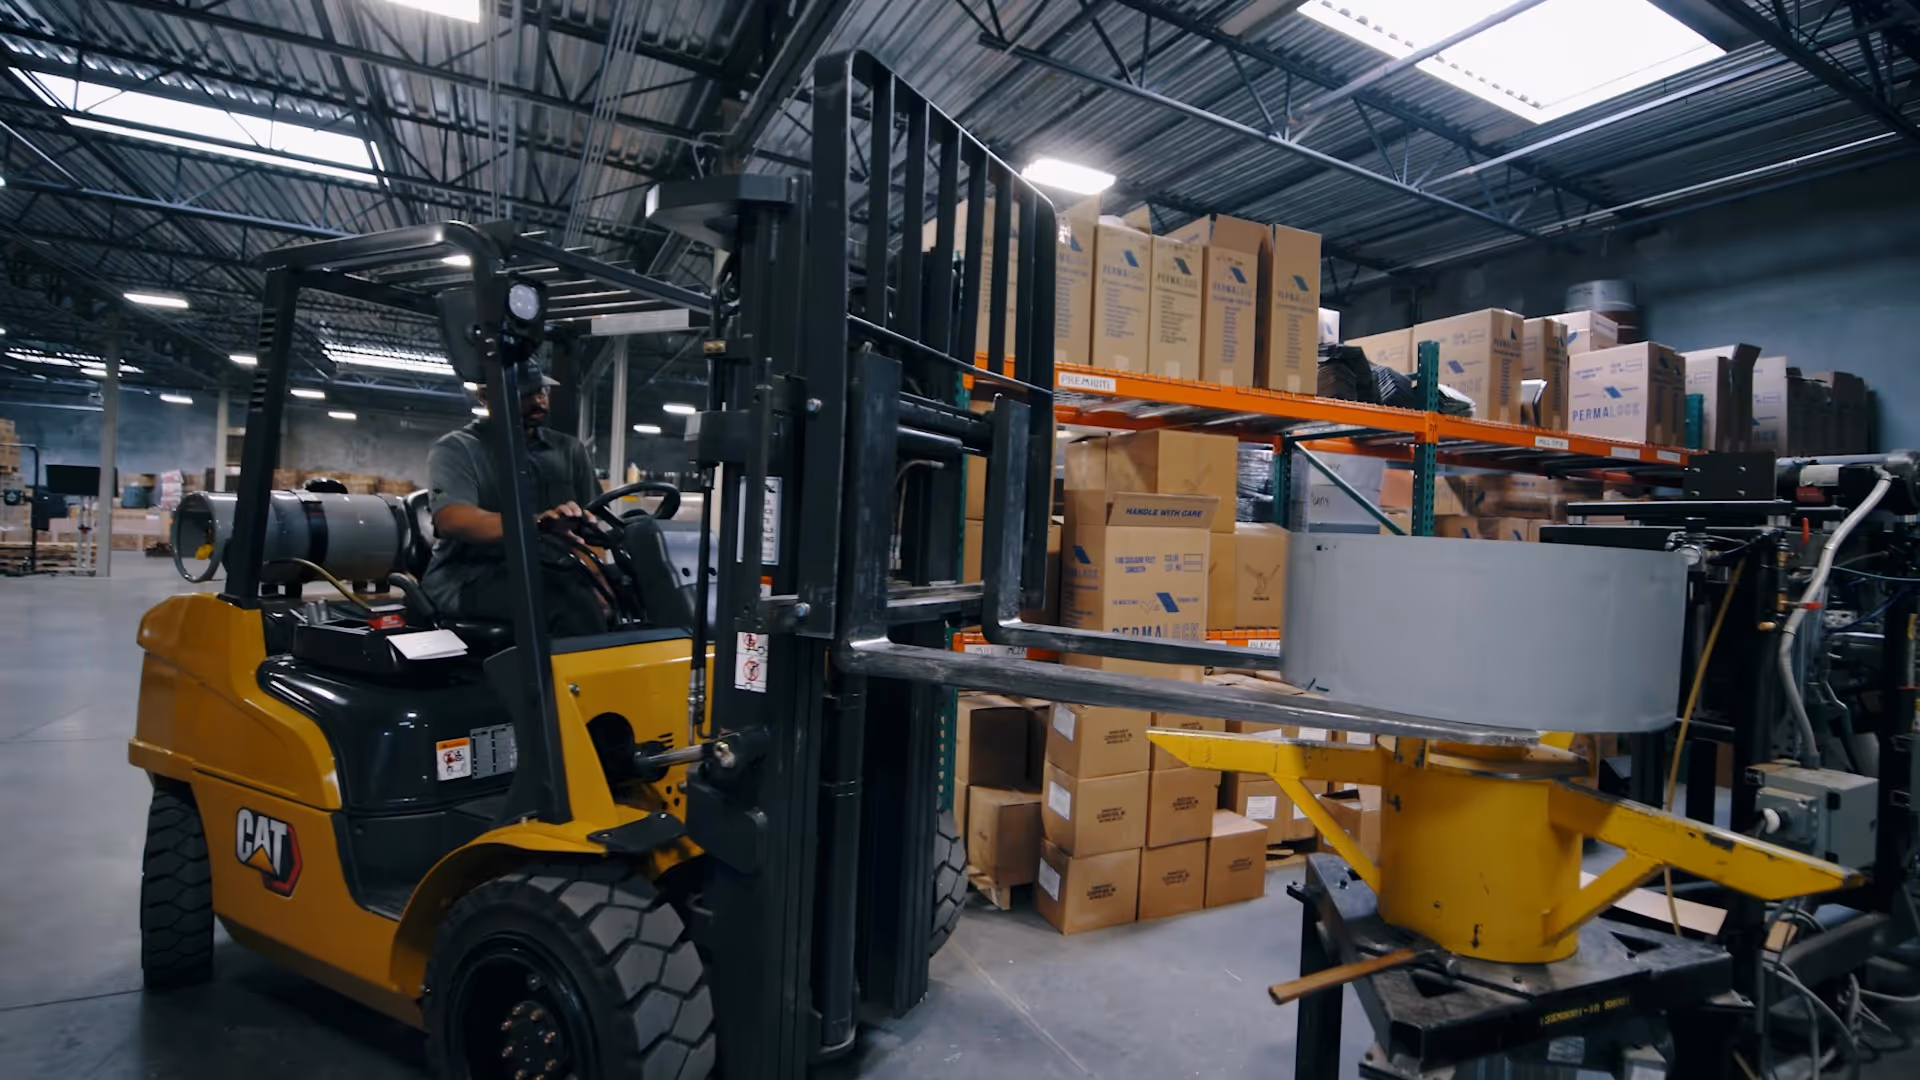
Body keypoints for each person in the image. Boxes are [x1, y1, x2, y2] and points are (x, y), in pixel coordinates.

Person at [422, 360, 611, 636]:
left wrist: (598, 573)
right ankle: (568, 680)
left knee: (639, 589)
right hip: (472, 575)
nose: (538, 400)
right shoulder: (457, 449)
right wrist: (533, 524)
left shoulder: (569, 450)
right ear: (485, 396)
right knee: (568, 601)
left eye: (541, 391)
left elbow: (593, 525)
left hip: (553, 569)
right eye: (523, 393)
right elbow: (453, 518)